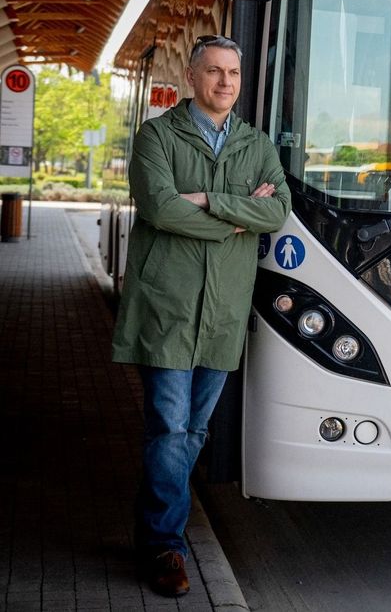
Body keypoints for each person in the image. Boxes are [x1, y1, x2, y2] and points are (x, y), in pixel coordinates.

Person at [111, 34, 292, 597]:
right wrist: (242, 216)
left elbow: (278, 209)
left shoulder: (257, 144)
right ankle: (166, 545)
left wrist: (210, 201)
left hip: (222, 311)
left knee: (192, 429)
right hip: (167, 306)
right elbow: (160, 207)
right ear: (192, 77)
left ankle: (154, 527)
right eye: (214, 72)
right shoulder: (157, 136)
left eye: (233, 73)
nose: (225, 83)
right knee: (168, 428)